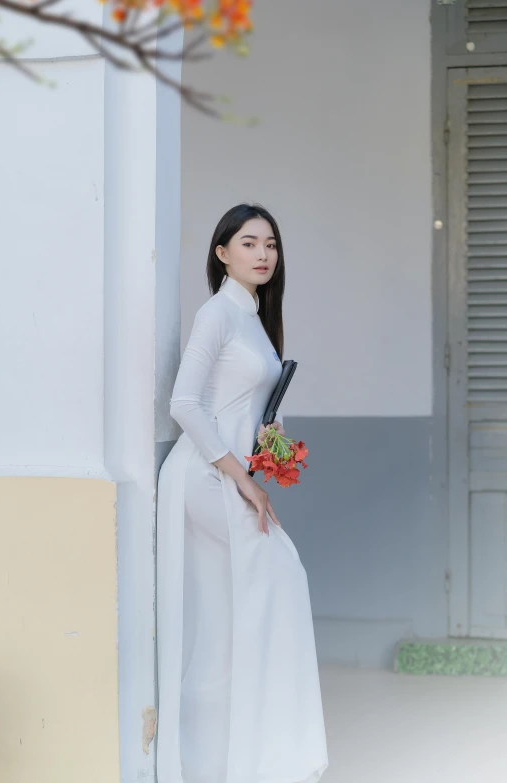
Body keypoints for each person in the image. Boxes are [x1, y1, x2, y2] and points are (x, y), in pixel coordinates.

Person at [155, 203, 329, 783]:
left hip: (228, 474)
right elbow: (184, 404)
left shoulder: (252, 315)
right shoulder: (218, 314)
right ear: (222, 252)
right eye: (250, 243)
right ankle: (258, 756)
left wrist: (267, 444)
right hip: (206, 478)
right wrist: (243, 477)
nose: (263, 254)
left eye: (271, 245)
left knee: (227, 618)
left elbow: (237, 402)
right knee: (279, 578)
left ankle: (233, 760)